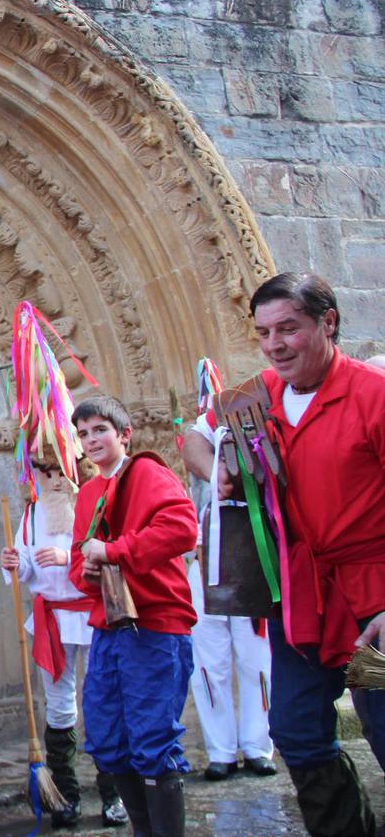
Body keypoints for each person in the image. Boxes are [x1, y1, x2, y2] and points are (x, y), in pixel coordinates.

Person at [181, 273, 385, 836]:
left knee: (382, 725)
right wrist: (216, 468)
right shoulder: (257, 395)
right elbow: (193, 435)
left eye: (289, 329)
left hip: (372, 608)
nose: (275, 344)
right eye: (265, 332)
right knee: (295, 729)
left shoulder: (375, 395)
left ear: (328, 323)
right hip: (302, 605)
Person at [68, 396, 197, 837]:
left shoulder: (148, 472)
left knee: (153, 742)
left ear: (124, 434)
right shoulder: (87, 493)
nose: (91, 440)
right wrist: (86, 570)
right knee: (106, 740)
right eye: (83, 434)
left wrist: (114, 551)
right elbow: (77, 561)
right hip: (108, 628)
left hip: (155, 628)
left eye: (100, 429)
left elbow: (181, 527)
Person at [0, 458, 127, 829]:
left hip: (91, 616)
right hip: (51, 619)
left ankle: (113, 794)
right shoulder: (31, 514)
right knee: (58, 706)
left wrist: (66, 558)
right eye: (46, 474)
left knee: (103, 701)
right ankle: (66, 795)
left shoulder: (92, 505)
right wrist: (15, 562)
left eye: (61, 473)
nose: (55, 482)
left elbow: (109, 554)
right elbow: (25, 568)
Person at [178, 414, 276, 782]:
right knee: (208, 666)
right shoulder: (213, 424)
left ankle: (258, 746)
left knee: (256, 661)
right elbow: (192, 444)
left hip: (255, 564)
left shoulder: (269, 426)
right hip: (206, 567)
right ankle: (220, 751)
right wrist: (215, 471)